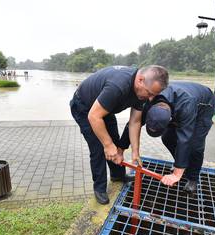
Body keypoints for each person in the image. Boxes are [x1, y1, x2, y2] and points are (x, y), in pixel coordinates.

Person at [70, 65, 169, 204]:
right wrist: (107, 144)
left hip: (104, 108)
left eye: (154, 95)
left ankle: (117, 175)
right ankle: (99, 188)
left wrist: (135, 151)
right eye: (149, 93)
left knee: (115, 142)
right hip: (84, 108)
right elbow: (94, 116)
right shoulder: (118, 86)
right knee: (99, 148)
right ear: (140, 80)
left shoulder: (142, 91)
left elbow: (135, 122)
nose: (150, 98)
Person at [119, 81, 215, 193]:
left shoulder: (186, 106)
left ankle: (192, 178)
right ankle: (182, 164)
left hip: (204, 105)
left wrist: (176, 174)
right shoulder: (149, 100)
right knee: (167, 138)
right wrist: (121, 149)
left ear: (170, 119)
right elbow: (133, 123)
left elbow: (184, 139)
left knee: (195, 145)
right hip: (175, 103)